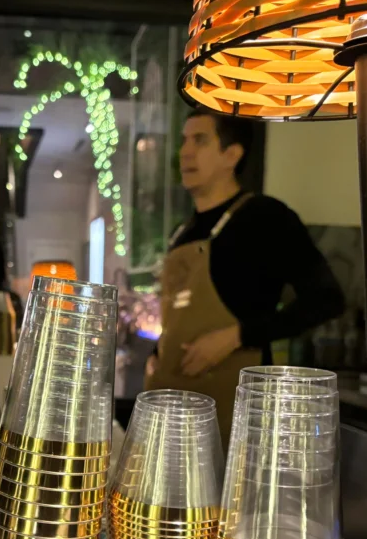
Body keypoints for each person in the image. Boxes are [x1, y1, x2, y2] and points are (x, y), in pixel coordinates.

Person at [145, 110, 345, 445]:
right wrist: (157, 354)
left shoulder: (265, 217)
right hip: (170, 406)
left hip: (234, 407)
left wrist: (237, 335)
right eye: (184, 141)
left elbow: (327, 300)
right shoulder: (183, 232)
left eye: (200, 140)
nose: (186, 152)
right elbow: (177, 317)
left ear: (232, 155)